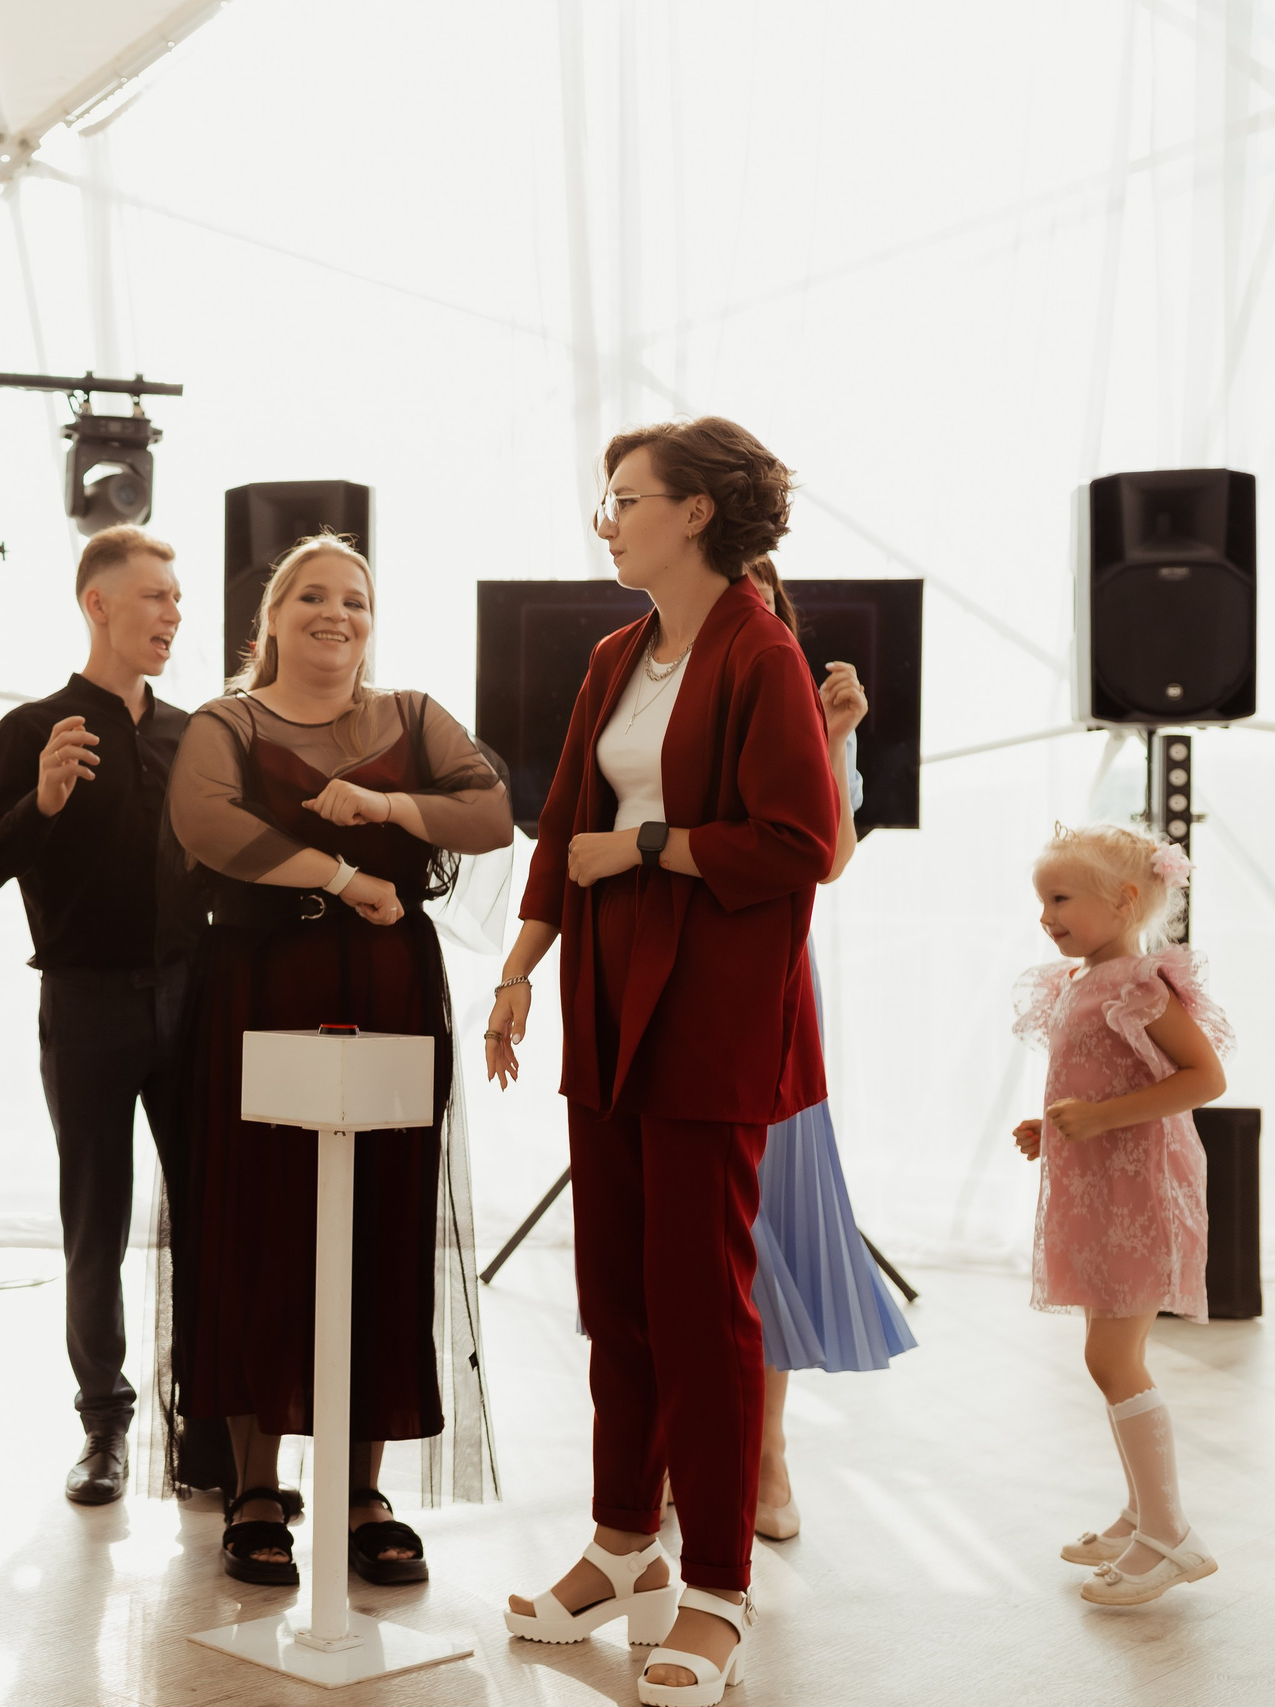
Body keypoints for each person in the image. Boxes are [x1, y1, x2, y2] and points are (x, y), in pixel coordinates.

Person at [487, 418, 834, 1707]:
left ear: (694, 514)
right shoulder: (615, 654)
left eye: (624, 500)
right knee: (618, 1292)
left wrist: (645, 852)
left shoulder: (762, 651)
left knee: (702, 1302)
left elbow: (799, 843)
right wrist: (521, 969)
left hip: (714, 1010)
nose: (606, 521)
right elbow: (560, 822)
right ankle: (622, 1541)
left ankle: (721, 1588)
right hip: (607, 998)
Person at [163, 533, 509, 1589]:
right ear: (267, 621)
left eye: (353, 600)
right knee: (253, 1221)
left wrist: (392, 809)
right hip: (259, 992)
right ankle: (256, 1485)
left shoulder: (413, 717)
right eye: (309, 596)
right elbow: (205, 823)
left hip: (392, 995)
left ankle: (362, 1490)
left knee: (384, 1226)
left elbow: (490, 811)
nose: (334, 613)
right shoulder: (228, 721)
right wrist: (344, 871)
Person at [0, 524, 193, 1506]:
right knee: (93, 1221)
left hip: (192, 1004)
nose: (172, 615)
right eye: (155, 598)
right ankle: (104, 1426)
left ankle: (204, 1425)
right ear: (98, 605)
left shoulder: (196, 732)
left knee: (208, 1220)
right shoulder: (33, 730)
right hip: (85, 1006)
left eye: (176, 601)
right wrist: (43, 801)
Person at [736, 560, 914, 1544]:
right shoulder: (641, 688)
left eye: (765, 591)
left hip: (766, 992)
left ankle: (765, 1454)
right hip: (664, 985)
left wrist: (835, 737)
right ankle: (674, 1449)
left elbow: (830, 859)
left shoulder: (793, 714)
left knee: (773, 1230)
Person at [1012, 824, 1228, 1606]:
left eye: (1061, 898)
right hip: (1100, 1187)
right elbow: (1097, 1079)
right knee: (1110, 1355)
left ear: (1124, 900)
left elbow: (1204, 1077)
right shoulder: (1080, 979)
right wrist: (1055, 1126)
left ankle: (1170, 1535)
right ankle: (1142, 1512)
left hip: (1140, 1189)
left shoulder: (1141, 982)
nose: (1046, 914)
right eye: (1042, 899)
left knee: (1112, 1360)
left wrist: (1100, 1123)